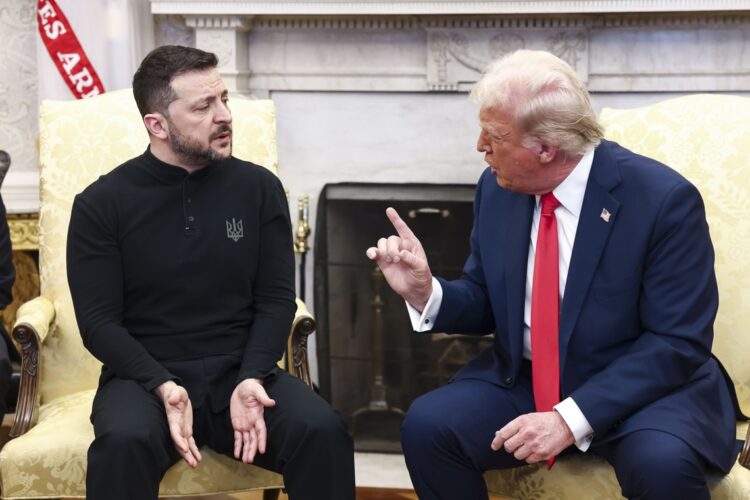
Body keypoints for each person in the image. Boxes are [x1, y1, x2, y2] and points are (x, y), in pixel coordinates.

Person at [366, 49, 740, 500]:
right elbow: (487, 298)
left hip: (643, 390)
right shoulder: (498, 188)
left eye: (495, 134)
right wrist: (428, 293)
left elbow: (676, 342)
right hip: (528, 377)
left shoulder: (663, 201)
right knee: (430, 426)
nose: (480, 145)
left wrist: (568, 418)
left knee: (661, 464)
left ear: (546, 148)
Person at [67, 45, 355, 500]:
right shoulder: (100, 205)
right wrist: (162, 385)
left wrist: (253, 376)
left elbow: (276, 298)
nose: (224, 115)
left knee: (322, 429)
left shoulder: (259, 189)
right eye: (204, 106)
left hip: (240, 369)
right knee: (122, 443)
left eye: (224, 99)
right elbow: (99, 323)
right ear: (157, 125)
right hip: (145, 379)